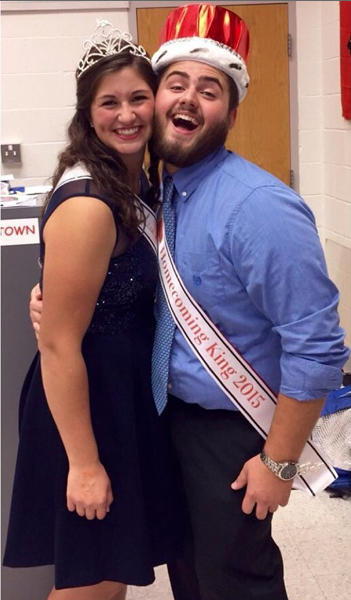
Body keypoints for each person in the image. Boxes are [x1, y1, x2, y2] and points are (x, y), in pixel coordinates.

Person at [29, 4, 350, 600]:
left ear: (231, 110)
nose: (188, 100)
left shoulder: (258, 205)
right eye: (175, 83)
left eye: (211, 90)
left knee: (233, 582)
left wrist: (278, 463)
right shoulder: (156, 187)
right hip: (160, 417)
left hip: (229, 429)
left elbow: (319, 347)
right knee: (191, 577)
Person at [3, 21, 183, 600]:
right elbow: (57, 343)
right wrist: (84, 464)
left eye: (138, 98)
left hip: (120, 397)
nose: (127, 114)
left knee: (111, 573)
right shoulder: (89, 204)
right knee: (92, 583)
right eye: (110, 103)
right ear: (88, 114)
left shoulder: (137, 181)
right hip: (87, 409)